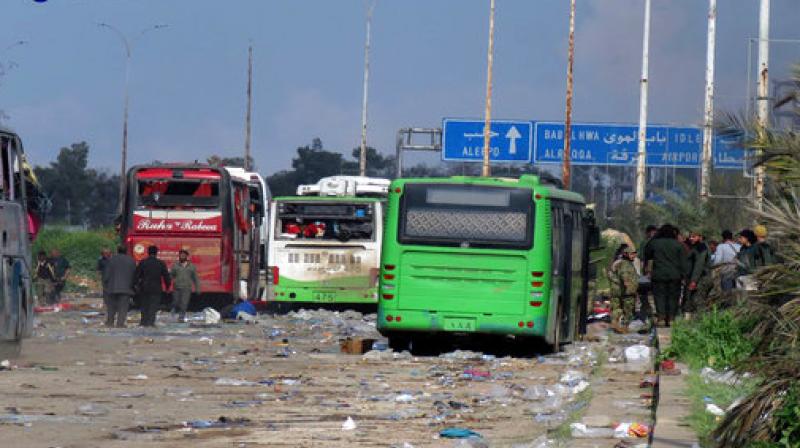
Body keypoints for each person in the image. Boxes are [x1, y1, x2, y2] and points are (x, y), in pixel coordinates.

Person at [645, 224, 688, 327]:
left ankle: (661, 318)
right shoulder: (678, 245)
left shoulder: (654, 243)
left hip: (658, 275)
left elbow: (647, 254)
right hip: (675, 275)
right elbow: (683, 262)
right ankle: (672, 318)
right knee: (673, 297)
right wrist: (684, 276)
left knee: (659, 296)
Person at [134, 246, 171, 327]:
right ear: (156, 253)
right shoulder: (161, 263)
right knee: (153, 306)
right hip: (156, 288)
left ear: (148, 252)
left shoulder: (143, 262)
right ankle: (151, 322)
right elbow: (166, 276)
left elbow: (136, 275)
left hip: (144, 287)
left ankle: (143, 322)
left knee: (144, 305)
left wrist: (135, 286)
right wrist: (168, 287)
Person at [103, 246, 137, 328]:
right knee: (123, 307)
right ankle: (120, 323)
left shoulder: (111, 260)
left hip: (112, 287)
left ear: (117, 251)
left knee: (111, 306)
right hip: (126, 287)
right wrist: (133, 285)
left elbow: (107, 274)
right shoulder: (131, 260)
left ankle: (110, 322)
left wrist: (105, 284)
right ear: (126, 251)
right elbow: (134, 274)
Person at [609, 246, 638, 332]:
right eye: (632, 254)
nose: (634, 256)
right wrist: (629, 286)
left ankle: (616, 325)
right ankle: (623, 328)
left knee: (617, 308)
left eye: (634, 254)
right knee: (627, 310)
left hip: (620, 291)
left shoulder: (622, 262)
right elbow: (624, 275)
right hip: (627, 292)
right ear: (626, 254)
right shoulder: (625, 264)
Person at [170, 249, 201, 323]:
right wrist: (169, 285)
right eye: (180, 255)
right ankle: (174, 309)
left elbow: (195, 278)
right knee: (176, 302)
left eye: (183, 255)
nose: (182, 256)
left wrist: (198, 288)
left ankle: (181, 317)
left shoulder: (192, 266)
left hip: (187, 288)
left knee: (184, 304)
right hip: (177, 287)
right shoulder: (175, 265)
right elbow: (171, 276)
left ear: (187, 256)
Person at [684, 231, 710, 317]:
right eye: (690, 236)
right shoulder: (694, 247)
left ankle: (702, 321)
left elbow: (699, 265)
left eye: (694, 236)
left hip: (700, 278)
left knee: (698, 301)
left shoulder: (701, 248)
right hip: (694, 278)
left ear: (700, 237)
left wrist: (694, 281)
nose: (691, 238)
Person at [637, 225, 658, 322]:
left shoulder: (658, 242)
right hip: (647, 270)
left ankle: (654, 311)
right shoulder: (644, 243)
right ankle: (645, 309)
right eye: (652, 232)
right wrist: (644, 270)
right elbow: (641, 257)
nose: (654, 234)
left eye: (655, 232)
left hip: (657, 270)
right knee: (644, 292)